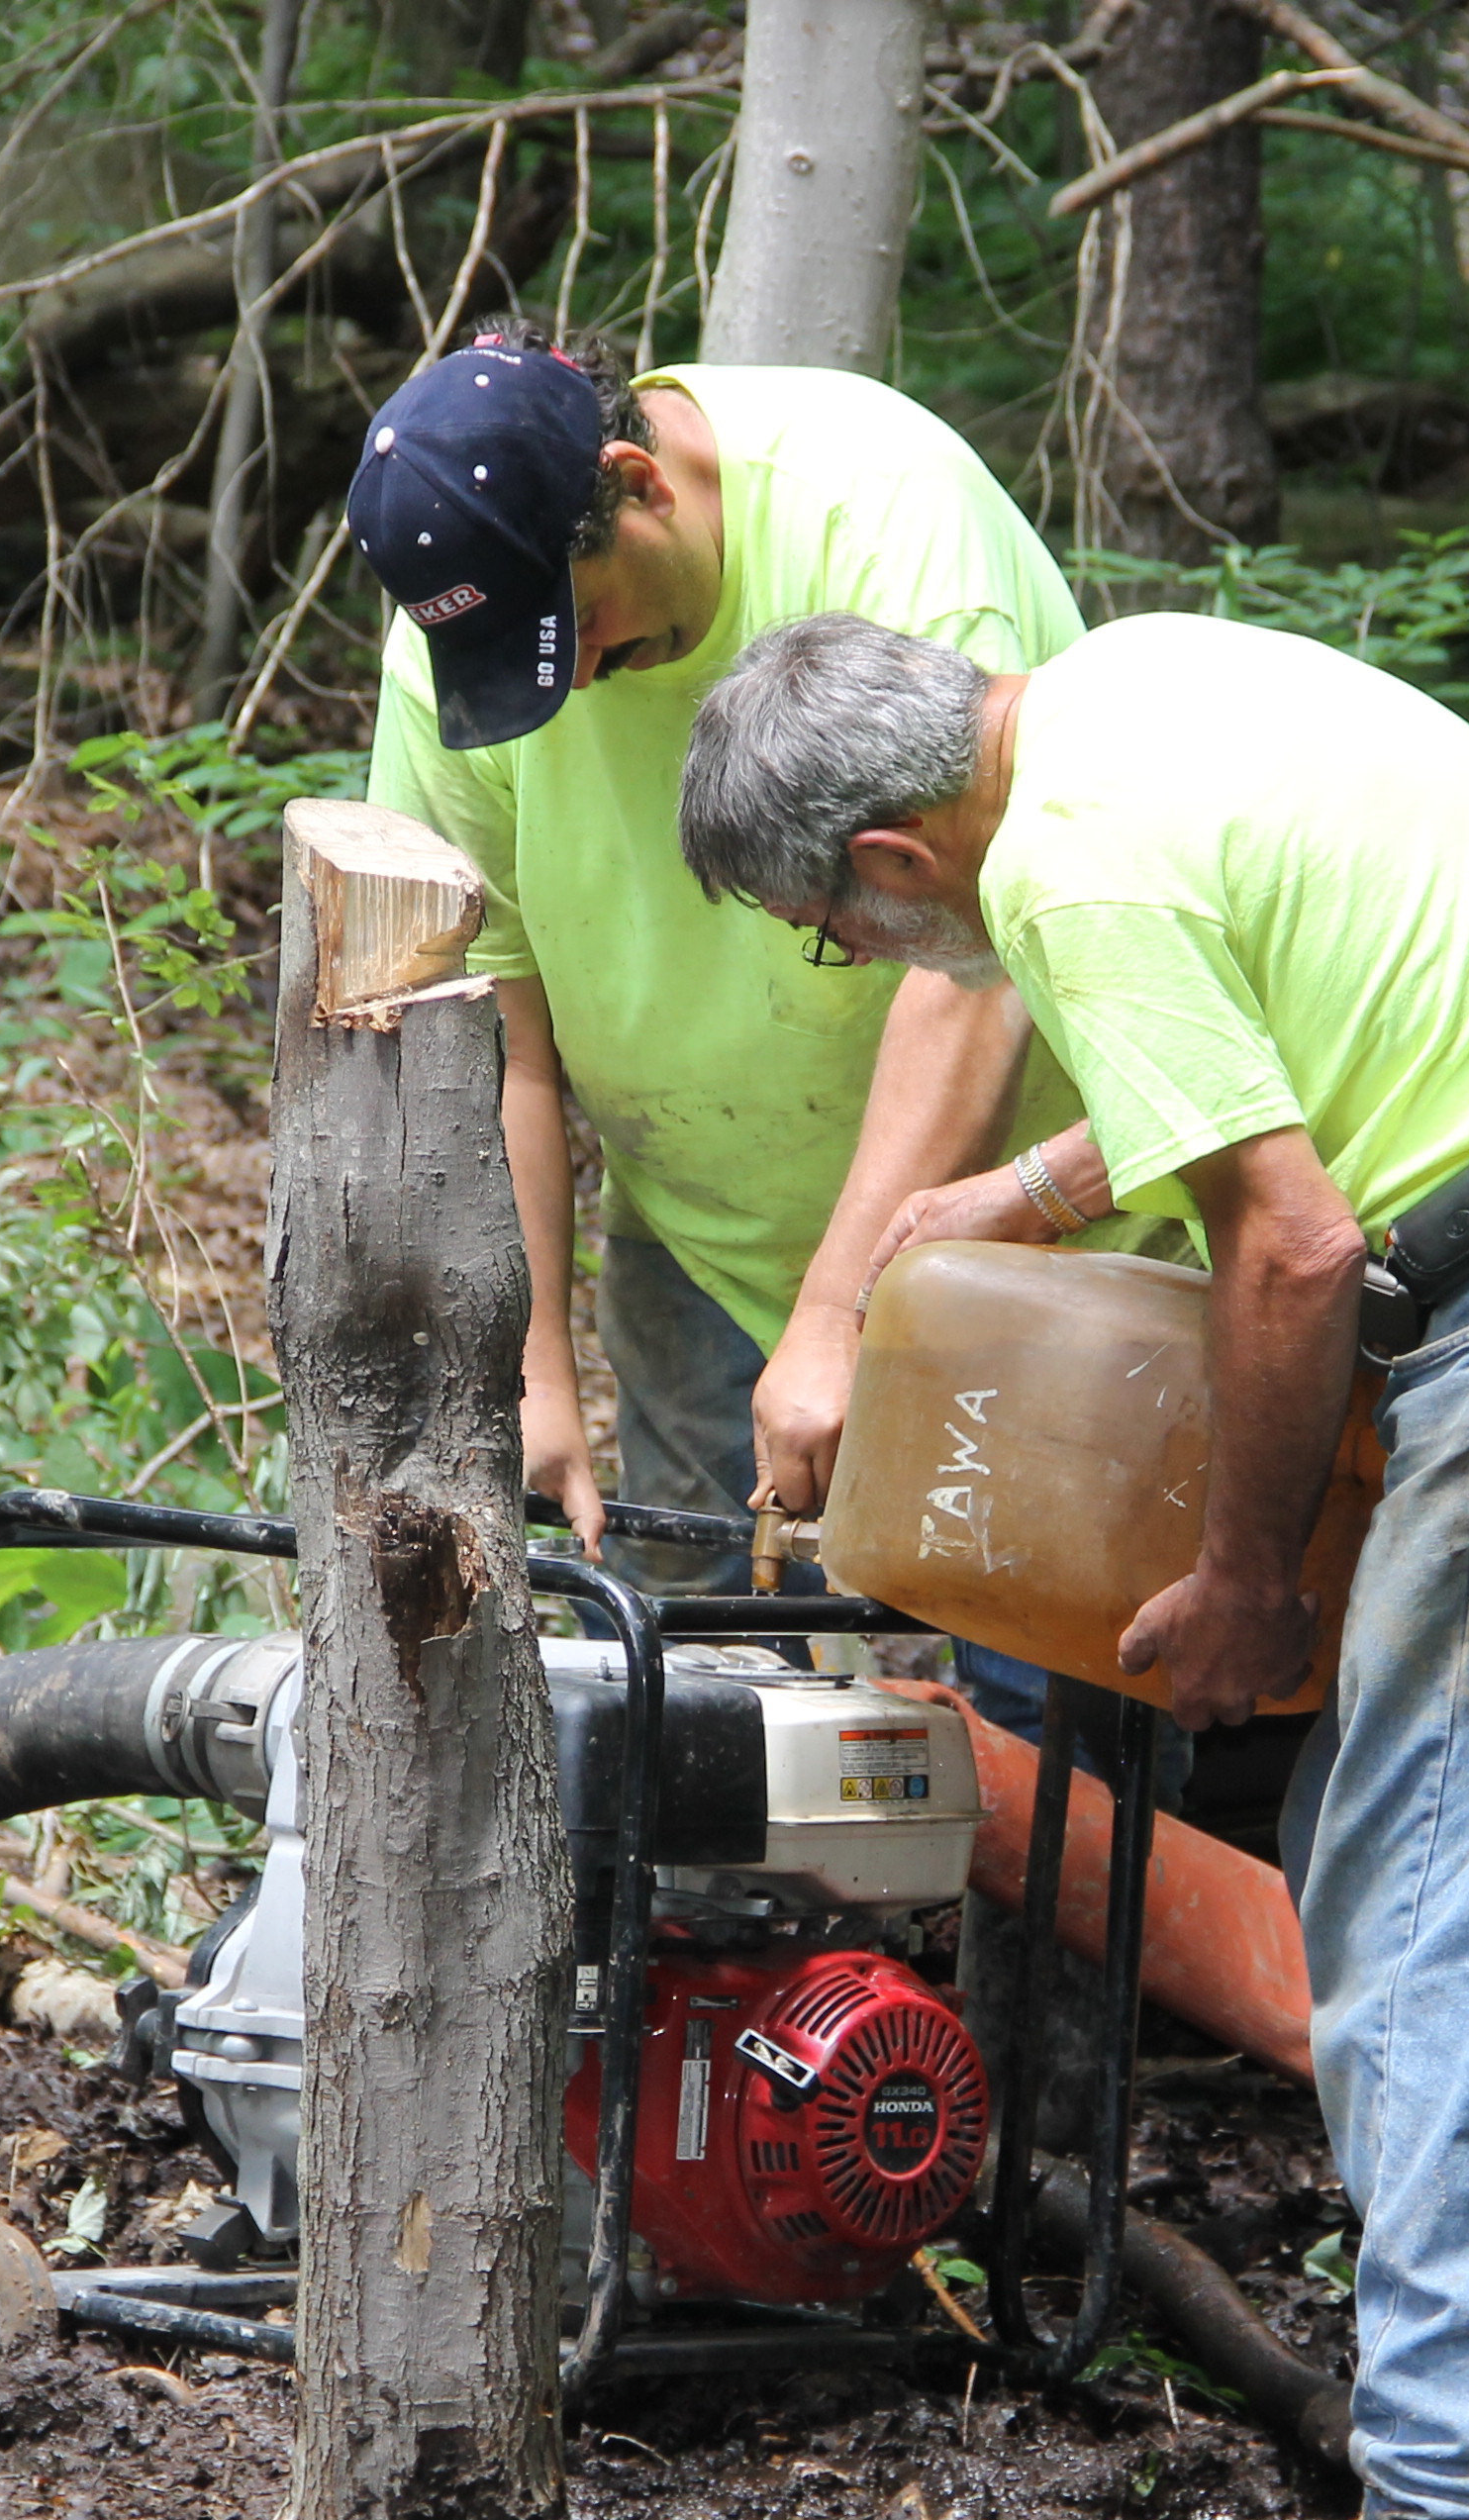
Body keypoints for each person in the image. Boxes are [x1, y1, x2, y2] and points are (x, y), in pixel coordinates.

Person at [676, 608, 1469, 2520]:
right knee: (1433, 1861)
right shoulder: (1140, 690)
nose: (866, 964)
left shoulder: (1064, 869)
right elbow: (1274, 1047)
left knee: (1412, 1906)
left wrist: (1240, 1578)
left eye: (838, 935)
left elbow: (1292, 1244)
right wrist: (1031, 1190)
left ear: (895, 855)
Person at [346, 322, 1153, 1615]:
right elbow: (492, 1024)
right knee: (699, 1663)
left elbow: (981, 960)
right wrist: (532, 1365)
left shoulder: (883, 518)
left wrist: (839, 1313)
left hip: (1011, 1217)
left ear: (638, 482)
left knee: (1032, 1654)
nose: (577, 683)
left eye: (582, 628)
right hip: (699, 1231)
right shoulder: (468, 628)